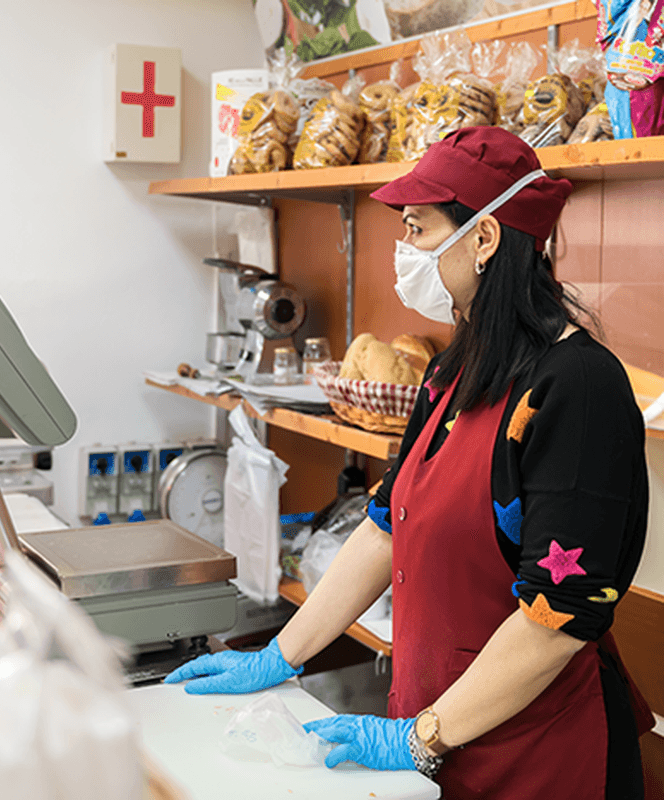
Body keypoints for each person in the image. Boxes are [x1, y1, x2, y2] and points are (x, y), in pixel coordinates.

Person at [165, 127, 654, 799]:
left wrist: (421, 736)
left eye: (420, 229)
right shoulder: (453, 373)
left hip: (538, 755)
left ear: (483, 239)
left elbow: (559, 617)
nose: (406, 252)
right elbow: (382, 526)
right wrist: (282, 653)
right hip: (436, 738)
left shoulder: (578, 389)